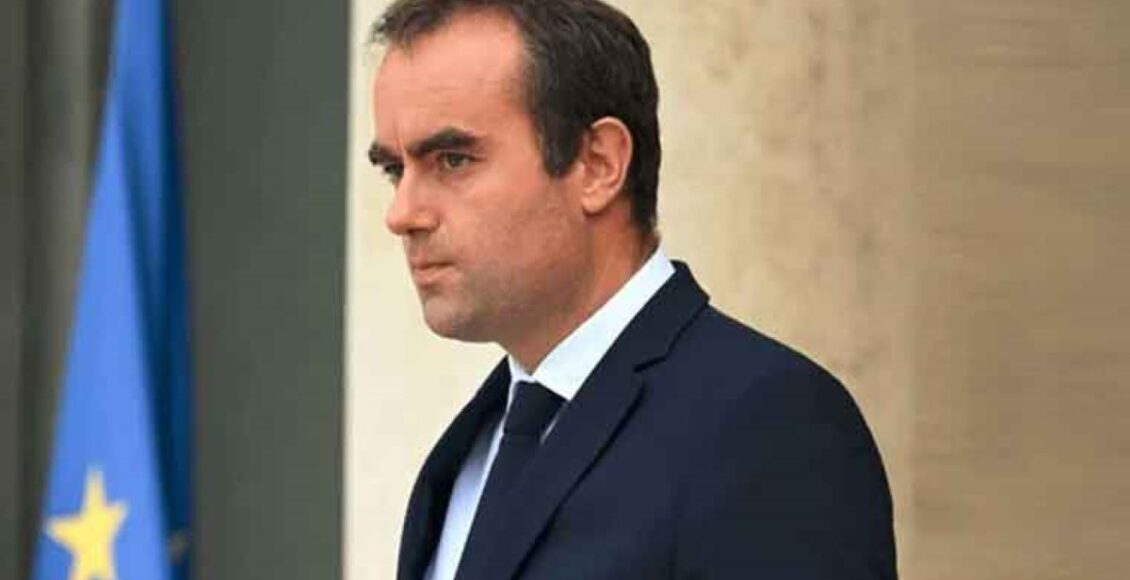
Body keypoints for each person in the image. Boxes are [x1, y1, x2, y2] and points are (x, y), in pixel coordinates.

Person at [366, 0, 897, 578]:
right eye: (395, 170)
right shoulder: (476, 446)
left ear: (598, 164)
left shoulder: (768, 425)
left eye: (453, 160)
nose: (402, 213)